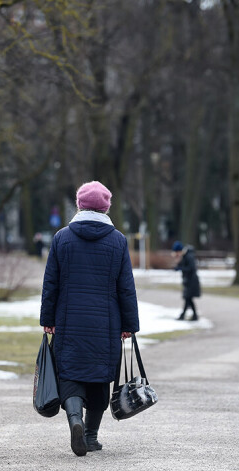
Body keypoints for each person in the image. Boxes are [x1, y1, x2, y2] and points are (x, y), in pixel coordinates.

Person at [40, 181, 139, 457]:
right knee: (99, 377)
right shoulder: (118, 240)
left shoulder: (62, 238)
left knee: (70, 373)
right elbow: (125, 287)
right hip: (105, 324)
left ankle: (75, 422)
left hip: (69, 321)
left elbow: (51, 283)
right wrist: (129, 324)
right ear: (106, 207)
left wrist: (47, 318)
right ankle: (92, 436)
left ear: (79, 205)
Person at [171, 241, 201, 321]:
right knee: (188, 299)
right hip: (188, 281)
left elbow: (191, 268)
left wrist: (181, 268)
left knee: (188, 298)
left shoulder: (189, 256)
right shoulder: (184, 256)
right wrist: (178, 266)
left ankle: (184, 315)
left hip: (192, 281)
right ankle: (193, 315)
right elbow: (183, 265)